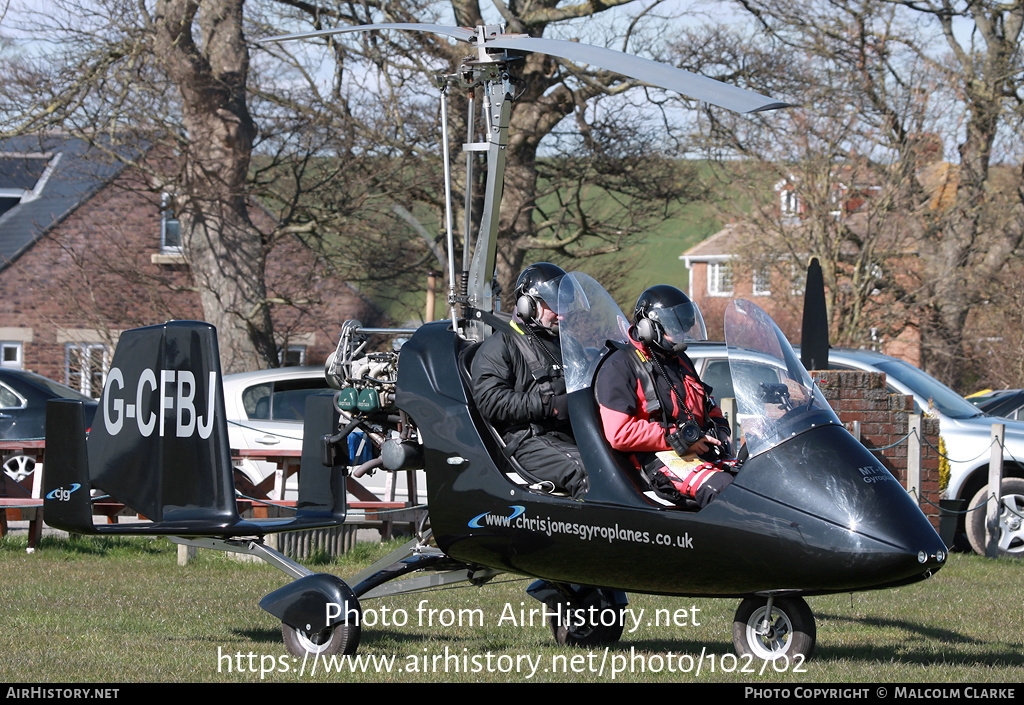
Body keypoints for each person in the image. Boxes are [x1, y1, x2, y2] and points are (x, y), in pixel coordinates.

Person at [594, 285, 733, 507]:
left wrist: (722, 431)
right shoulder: (619, 365)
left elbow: (708, 403)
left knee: (753, 483)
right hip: (656, 459)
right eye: (674, 328)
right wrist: (680, 438)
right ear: (648, 327)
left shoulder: (678, 359)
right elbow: (619, 433)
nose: (681, 335)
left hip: (696, 450)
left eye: (683, 328)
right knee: (724, 491)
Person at [470, 263, 588, 498]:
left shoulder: (569, 345)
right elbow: (490, 400)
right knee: (589, 473)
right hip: (529, 440)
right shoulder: (501, 345)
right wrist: (550, 406)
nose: (561, 313)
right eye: (554, 305)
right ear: (528, 304)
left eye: (563, 305)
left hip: (572, 434)